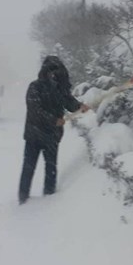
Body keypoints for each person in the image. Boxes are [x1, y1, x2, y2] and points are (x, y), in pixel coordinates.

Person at [19, 56, 88, 204]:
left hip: (52, 136)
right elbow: (34, 110)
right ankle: (23, 198)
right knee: (28, 168)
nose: (54, 75)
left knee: (51, 169)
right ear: (44, 72)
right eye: (51, 71)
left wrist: (79, 106)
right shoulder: (34, 87)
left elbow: (68, 102)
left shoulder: (59, 89)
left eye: (56, 72)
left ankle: (49, 200)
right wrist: (53, 120)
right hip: (34, 135)